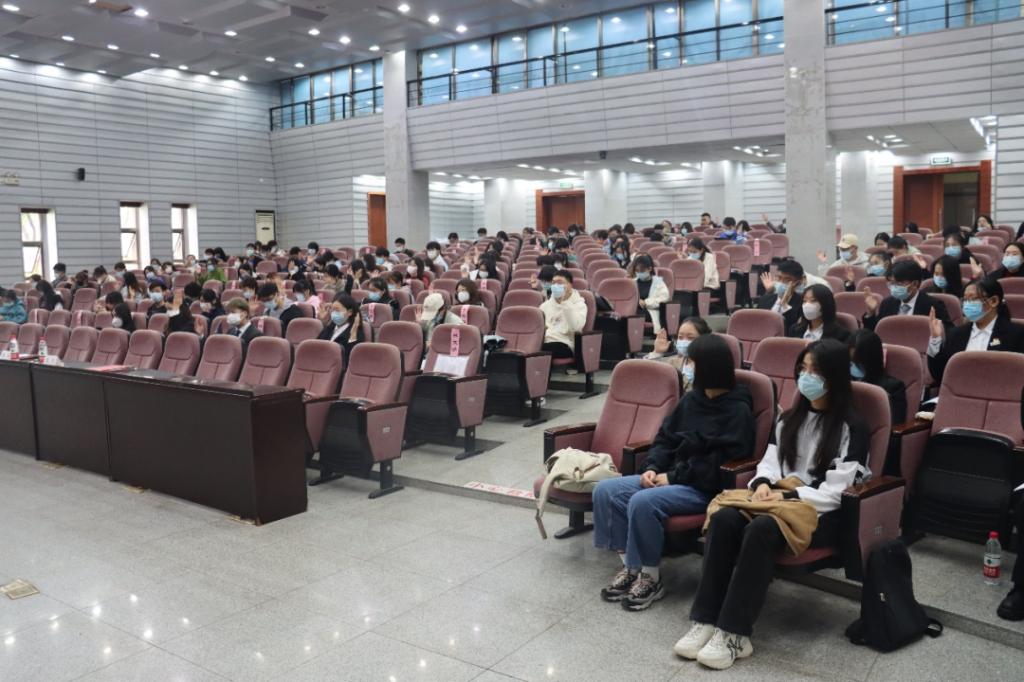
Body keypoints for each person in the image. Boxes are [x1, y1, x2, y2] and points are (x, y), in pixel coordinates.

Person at [678, 339, 870, 670]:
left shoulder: (852, 426)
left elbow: (838, 491)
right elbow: (768, 462)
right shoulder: (789, 418)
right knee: (724, 518)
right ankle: (705, 619)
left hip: (820, 514)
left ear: (835, 376)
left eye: (816, 371)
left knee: (762, 528)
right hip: (778, 501)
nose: (806, 377)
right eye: (803, 369)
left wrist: (788, 496)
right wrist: (764, 484)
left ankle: (735, 632)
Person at [594, 335, 755, 611]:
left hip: (703, 487)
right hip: (671, 476)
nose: (686, 367)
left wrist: (672, 477)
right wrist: (653, 467)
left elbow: (719, 464)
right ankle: (631, 567)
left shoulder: (738, 410)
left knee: (642, 501)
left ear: (709, 367)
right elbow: (665, 440)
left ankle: (651, 578)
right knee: (606, 490)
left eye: (692, 362)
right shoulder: (691, 400)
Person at [927, 277, 1024, 385]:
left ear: (993, 301)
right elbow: (939, 374)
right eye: (965, 300)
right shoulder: (956, 334)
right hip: (960, 391)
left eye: (973, 299)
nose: (967, 304)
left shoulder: (1016, 334)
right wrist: (935, 340)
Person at [862, 261, 950, 331]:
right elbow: (876, 333)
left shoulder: (933, 305)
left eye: (899, 284)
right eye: (892, 283)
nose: (894, 287)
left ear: (914, 284)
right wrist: (870, 313)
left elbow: (947, 334)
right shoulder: (887, 303)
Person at [848, 329, 907, 425]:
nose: (853, 367)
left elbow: (895, 424)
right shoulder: (846, 382)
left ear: (870, 361)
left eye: (858, 363)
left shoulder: (893, 388)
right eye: (851, 362)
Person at [646, 317, 713, 392]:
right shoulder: (672, 363)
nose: (684, 341)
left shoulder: (711, 366)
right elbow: (649, 376)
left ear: (703, 339)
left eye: (690, 337)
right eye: (680, 337)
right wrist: (657, 352)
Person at [758, 260, 829, 331]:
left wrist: (784, 304)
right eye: (779, 278)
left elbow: (793, 330)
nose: (781, 282)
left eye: (787, 280)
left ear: (797, 283)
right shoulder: (764, 299)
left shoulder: (803, 304)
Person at [539, 270, 587, 359]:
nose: (556, 286)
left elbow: (575, 327)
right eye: (553, 283)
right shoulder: (544, 306)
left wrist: (564, 302)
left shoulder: (579, 305)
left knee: (542, 350)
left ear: (570, 285)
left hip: (565, 343)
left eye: (560, 283)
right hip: (544, 341)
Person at [630, 255, 671, 335]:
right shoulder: (632, 282)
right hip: (635, 309)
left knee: (634, 313)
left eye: (642, 270)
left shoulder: (658, 282)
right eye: (637, 271)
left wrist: (645, 302)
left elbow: (664, 298)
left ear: (650, 269)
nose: (639, 273)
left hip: (650, 311)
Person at [319, 292, 365, 360]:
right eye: (332, 310)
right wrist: (324, 323)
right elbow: (318, 346)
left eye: (337, 310)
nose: (334, 313)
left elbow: (351, 357)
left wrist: (353, 334)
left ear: (349, 312)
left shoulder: (356, 331)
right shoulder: (331, 327)